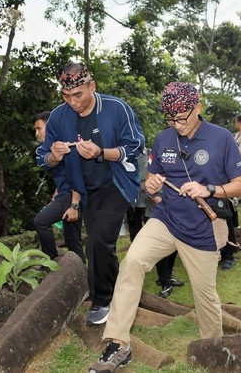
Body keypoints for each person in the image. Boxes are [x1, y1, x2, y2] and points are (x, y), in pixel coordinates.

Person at [89, 82, 241, 373]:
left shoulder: (221, 138)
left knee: (206, 296)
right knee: (132, 262)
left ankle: (211, 348)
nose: (177, 125)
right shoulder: (164, 139)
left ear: (197, 108)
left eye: (182, 118)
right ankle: (117, 344)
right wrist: (151, 185)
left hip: (202, 230)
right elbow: (153, 176)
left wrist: (209, 189)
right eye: (171, 119)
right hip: (166, 220)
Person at [36, 62, 145, 326]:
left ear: (91, 87)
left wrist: (101, 153)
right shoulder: (59, 117)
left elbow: (136, 147)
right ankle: (123, 289)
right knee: (100, 243)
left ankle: (101, 301)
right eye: (66, 96)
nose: (72, 102)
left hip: (116, 184)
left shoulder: (116, 108)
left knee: (97, 240)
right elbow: (42, 158)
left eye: (78, 95)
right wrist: (54, 155)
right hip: (83, 189)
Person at [126, 148, 184, 298]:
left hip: (175, 208)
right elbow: (148, 184)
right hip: (157, 208)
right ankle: (165, 282)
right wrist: (158, 200)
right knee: (161, 246)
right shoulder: (157, 155)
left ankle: (168, 277)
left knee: (174, 244)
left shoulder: (182, 156)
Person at [32, 111, 86, 263]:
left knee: (41, 221)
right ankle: (83, 276)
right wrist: (55, 196)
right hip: (65, 194)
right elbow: (62, 175)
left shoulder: (65, 144)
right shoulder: (50, 149)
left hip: (73, 194)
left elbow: (77, 173)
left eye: (39, 128)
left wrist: (74, 204)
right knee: (73, 242)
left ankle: (51, 261)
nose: (36, 133)